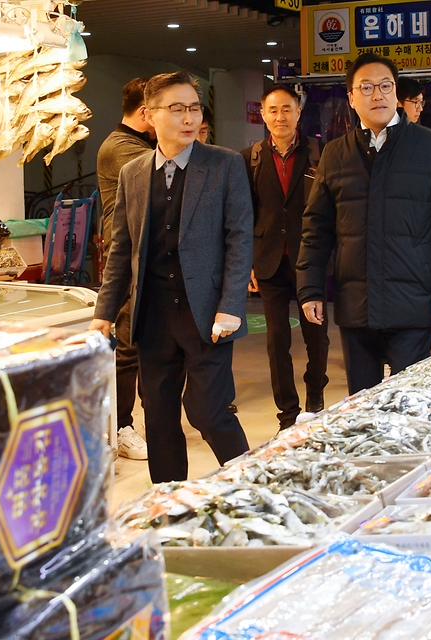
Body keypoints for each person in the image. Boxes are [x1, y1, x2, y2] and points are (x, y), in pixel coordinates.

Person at [90, 70, 254, 483]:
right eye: (177, 109)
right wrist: (104, 312)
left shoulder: (224, 164)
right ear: (149, 114)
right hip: (153, 317)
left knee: (210, 413)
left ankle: (253, 483)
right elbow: (121, 249)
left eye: (194, 108)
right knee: (159, 418)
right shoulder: (133, 173)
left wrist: (231, 306)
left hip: (207, 317)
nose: (188, 118)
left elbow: (239, 238)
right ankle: (168, 504)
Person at [297, 52, 431, 395]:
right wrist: (310, 288)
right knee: (362, 402)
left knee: (408, 401)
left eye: (385, 86)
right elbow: (316, 228)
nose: (376, 95)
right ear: (350, 97)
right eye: (366, 87)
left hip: (413, 301)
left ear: (396, 94)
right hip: (355, 304)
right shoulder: (335, 153)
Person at [242, 85, 328, 430]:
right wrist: (247, 260)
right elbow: (244, 213)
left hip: (310, 259)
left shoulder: (320, 153)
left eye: (287, 109)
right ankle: (288, 413)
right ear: (263, 115)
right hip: (268, 260)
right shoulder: (249, 158)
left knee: (316, 335)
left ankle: (316, 398)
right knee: (277, 338)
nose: (280, 116)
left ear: (299, 112)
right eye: (273, 110)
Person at [95, 77, 154, 461]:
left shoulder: (143, 145)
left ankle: (143, 418)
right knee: (127, 347)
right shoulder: (121, 148)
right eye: (170, 108)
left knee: (145, 343)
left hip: (147, 255)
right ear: (147, 112)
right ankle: (122, 425)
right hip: (126, 257)